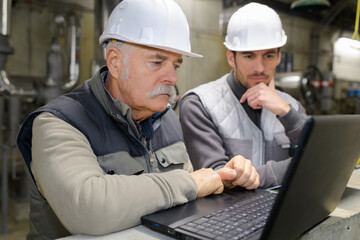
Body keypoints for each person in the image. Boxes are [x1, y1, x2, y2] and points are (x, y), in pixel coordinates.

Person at [16, 0, 259, 239]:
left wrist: (224, 181)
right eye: (157, 62)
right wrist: (191, 183)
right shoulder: (59, 123)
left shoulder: (167, 119)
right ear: (114, 62)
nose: (172, 77)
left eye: (176, 65)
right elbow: (88, 208)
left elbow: (188, 195)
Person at [179, 3, 307, 189]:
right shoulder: (200, 104)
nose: (260, 68)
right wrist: (296, 168)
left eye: (268, 56)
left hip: (284, 213)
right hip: (227, 216)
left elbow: (318, 158)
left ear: (279, 57)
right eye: (249, 56)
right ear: (231, 58)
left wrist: (286, 113)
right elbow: (219, 180)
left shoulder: (291, 106)